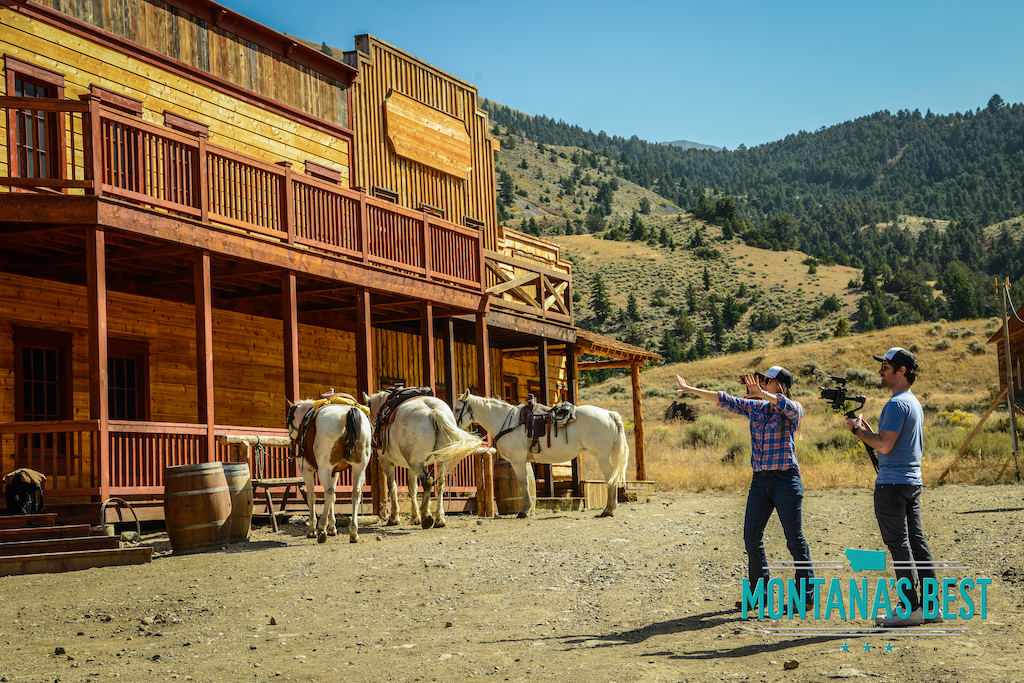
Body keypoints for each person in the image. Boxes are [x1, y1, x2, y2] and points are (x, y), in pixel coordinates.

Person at [676, 367, 814, 610]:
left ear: (779, 385)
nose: (762, 383)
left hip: (786, 480)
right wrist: (690, 389)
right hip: (760, 482)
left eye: (767, 381)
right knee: (751, 537)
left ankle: (805, 598)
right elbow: (724, 399)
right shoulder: (756, 408)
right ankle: (758, 596)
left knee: (794, 540)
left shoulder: (792, 408)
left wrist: (763, 395)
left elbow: (789, 406)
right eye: (762, 380)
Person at [847, 347, 938, 627]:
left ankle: (909, 607)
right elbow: (890, 440)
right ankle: (931, 607)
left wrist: (857, 430)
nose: (880, 370)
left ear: (901, 371)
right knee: (917, 543)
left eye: (886, 366)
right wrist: (868, 431)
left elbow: (884, 445)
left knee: (898, 545)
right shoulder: (912, 402)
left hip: (892, 485)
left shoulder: (896, 404)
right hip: (911, 482)